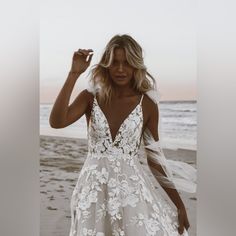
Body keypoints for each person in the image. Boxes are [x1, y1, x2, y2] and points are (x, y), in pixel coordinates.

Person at [49, 34, 194, 236]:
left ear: (136, 65)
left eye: (126, 63)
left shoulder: (148, 105)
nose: (120, 69)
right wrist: (73, 74)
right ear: (106, 65)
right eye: (114, 62)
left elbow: (155, 160)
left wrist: (179, 204)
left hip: (132, 193)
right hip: (93, 190)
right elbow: (57, 122)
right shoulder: (90, 98)